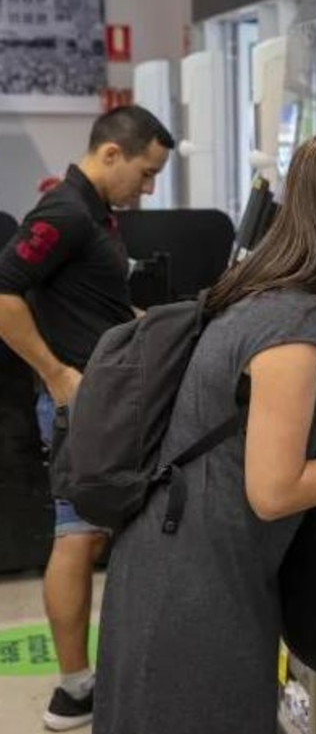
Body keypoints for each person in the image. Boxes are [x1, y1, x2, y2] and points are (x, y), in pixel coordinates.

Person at [92, 128, 316, 734]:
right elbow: (274, 490)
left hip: (193, 565)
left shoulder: (285, 297)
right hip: (192, 591)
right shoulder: (294, 319)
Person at [0, 104, 173, 731]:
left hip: (106, 392)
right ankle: (73, 691)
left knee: (95, 531)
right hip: (81, 400)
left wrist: (141, 324)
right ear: (110, 155)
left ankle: (100, 674)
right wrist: (56, 373)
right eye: (145, 173)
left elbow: (84, 301)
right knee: (77, 534)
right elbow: (3, 294)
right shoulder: (65, 212)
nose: (147, 189)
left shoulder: (95, 214)